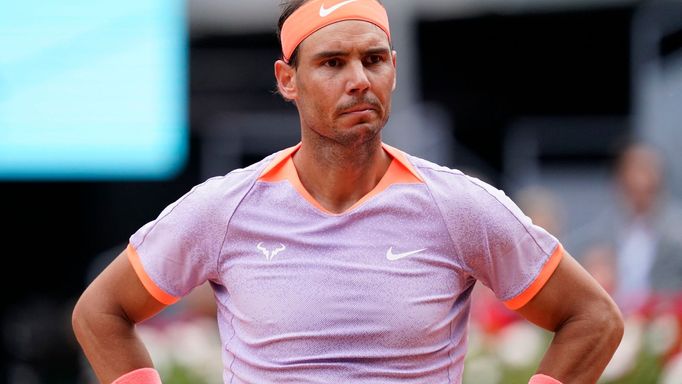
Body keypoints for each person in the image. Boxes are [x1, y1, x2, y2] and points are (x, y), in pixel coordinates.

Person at [72, 1, 623, 383]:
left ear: (394, 69)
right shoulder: (225, 208)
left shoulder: (458, 207)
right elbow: (101, 311)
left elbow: (594, 319)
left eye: (373, 59)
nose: (358, 78)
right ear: (288, 79)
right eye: (333, 62)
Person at [578, 141, 682, 315]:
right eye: (635, 170)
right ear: (620, 179)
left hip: (665, 322)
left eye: (649, 169)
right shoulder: (598, 233)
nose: (642, 179)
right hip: (612, 320)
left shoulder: (676, 231)